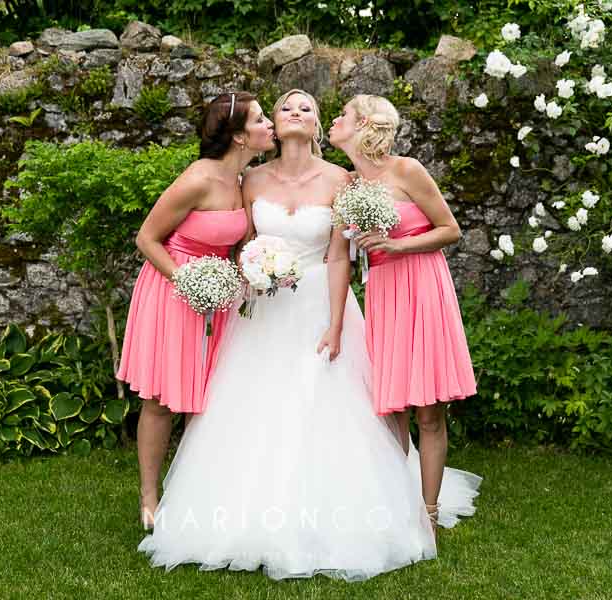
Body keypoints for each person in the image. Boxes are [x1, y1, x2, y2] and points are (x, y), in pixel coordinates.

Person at [137, 89, 480, 580]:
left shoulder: (342, 180)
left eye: (307, 108)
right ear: (272, 127)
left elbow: (339, 255)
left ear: (318, 126)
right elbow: (241, 244)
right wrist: (254, 271)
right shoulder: (249, 181)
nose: (295, 112)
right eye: (284, 107)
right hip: (263, 308)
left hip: (320, 302)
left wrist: (336, 324)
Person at [116, 92, 275, 530]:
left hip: (219, 296)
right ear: (239, 136)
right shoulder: (198, 179)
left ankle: (197, 495)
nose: (269, 125)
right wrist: (186, 280)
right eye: (260, 119)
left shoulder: (243, 181)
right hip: (173, 291)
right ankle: (149, 498)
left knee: (208, 399)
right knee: (162, 398)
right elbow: (147, 238)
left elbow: (239, 242)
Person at [328, 94, 478, 529]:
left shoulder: (407, 170)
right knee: (390, 406)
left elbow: (450, 229)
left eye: (344, 114)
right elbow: (338, 253)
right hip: (383, 293)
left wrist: (397, 245)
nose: (335, 120)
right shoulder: (348, 186)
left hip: (423, 286)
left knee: (428, 409)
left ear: (364, 125)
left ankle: (429, 513)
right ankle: (398, 503)